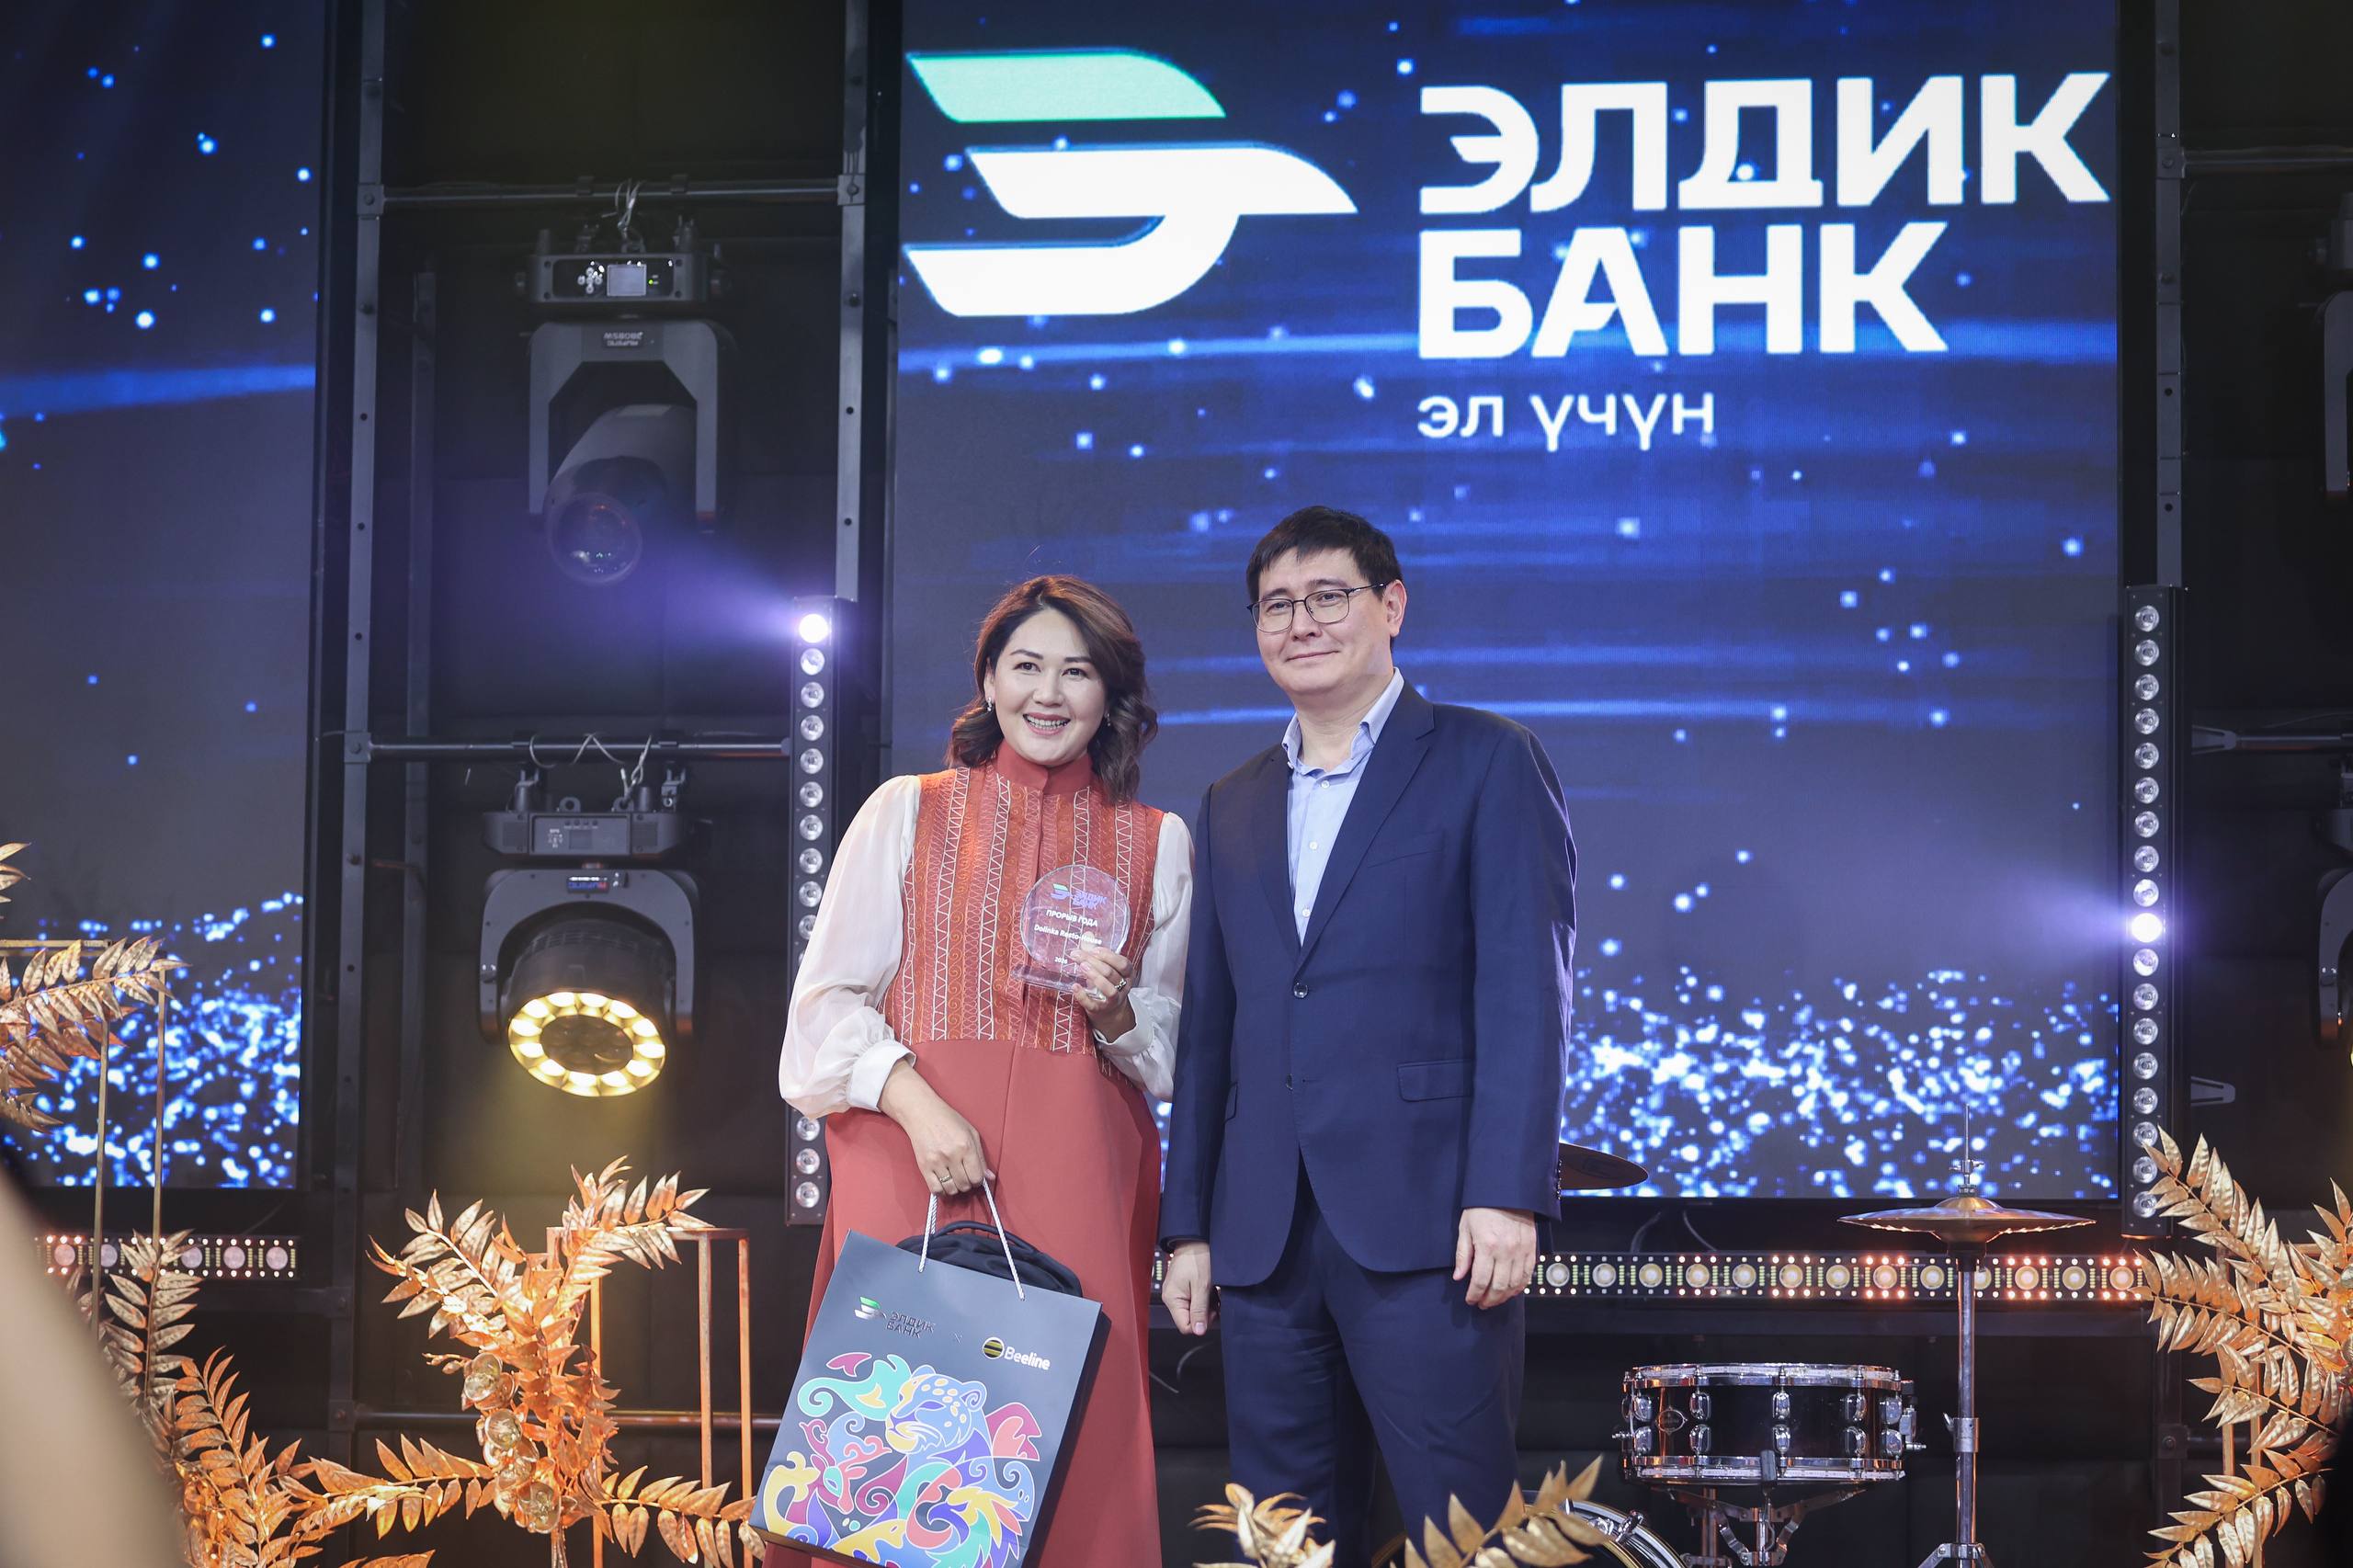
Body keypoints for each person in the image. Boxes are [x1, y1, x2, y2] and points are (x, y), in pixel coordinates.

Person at [1160, 506, 1575, 1564]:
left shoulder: (1487, 759)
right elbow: (1212, 1026)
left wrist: (1506, 1191)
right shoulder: (1232, 799)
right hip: (1262, 1234)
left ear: (1391, 606)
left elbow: (1527, 991)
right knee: (1281, 1539)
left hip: (1429, 1221)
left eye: (1327, 596)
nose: (1299, 622)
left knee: (1462, 1530)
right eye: (1275, 605)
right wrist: (1188, 1224)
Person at [778, 574, 1190, 1568]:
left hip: (1080, 1165)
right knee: (893, 1453)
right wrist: (917, 1105)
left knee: (1071, 1441)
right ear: (990, 681)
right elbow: (823, 1009)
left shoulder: (1158, 840)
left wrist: (1115, 1010)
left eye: (1076, 672)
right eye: (1026, 666)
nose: (1048, 694)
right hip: (909, 1155)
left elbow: (1173, 1051)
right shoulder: (905, 811)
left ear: (1110, 692)